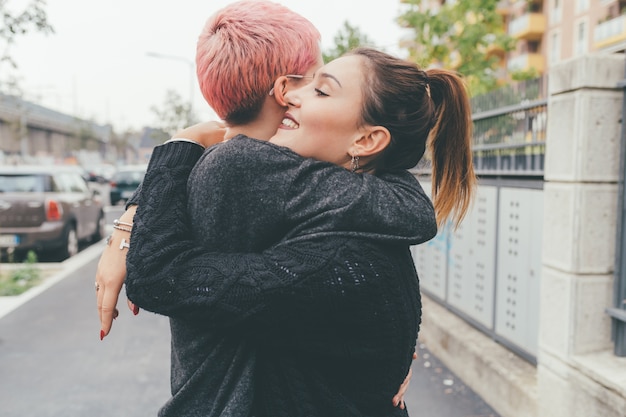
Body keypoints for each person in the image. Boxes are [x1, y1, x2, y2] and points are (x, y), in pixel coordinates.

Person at [95, 2, 416, 416]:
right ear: (285, 89)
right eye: (315, 80)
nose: (305, 94)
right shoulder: (244, 167)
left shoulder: (220, 167)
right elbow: (407, 214)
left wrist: (141, 205)